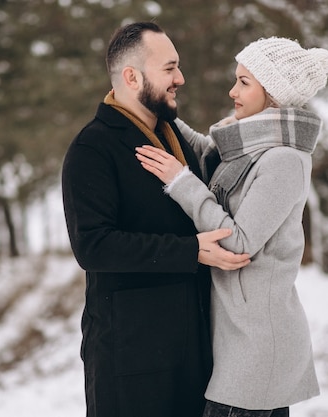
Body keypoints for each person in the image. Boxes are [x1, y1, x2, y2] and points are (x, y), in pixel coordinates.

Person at [136, 37, 328, 417]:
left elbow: (239, 242)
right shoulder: (249, 146)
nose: (233, 90)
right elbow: (203, 148)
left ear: (273, 93)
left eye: (244, 82)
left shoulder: (283, 161)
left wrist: (181, 183)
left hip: (256, 347)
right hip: (237, 339)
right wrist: (155, 108)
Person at [61, 22, 251, 417]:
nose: (180, 78)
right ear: (132, 77)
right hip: (131, 362)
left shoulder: (173, 137)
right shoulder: (92, 148)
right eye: (169, 68)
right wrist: (190, 251)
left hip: (194, 353)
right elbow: (93, 246)